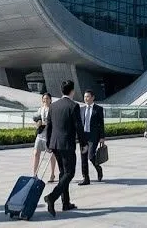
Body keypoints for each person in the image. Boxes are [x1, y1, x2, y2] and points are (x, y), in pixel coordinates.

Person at [42, 80, 87, 217]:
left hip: (55, 144)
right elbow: (78, 126)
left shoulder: (53, 106)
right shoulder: (74, 106)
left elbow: (49, 126)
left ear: (62, 91)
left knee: (63, 173)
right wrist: (83, 144)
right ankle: (52, 197)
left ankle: (65, 203)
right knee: (69, 173)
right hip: (67, 144)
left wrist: (48, 143)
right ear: (72, 91)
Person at [78, 89, 105, 185]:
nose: (86, 98)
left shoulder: (98, 109)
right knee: (83, 157)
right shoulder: (81, 109)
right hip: (83, 136)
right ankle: (86, 178)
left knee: (91, 156)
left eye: (88, 96)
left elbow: (101, 124)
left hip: (93, 137)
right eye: (85, 97)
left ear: (93, 97)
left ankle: (98, 168)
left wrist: (102, 137)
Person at [33, 93, 60, 182]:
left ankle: (52, 174)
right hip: (40, 135)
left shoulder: (53, 109)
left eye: (47, 98)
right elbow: (36, 120)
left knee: (51, 155)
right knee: (36, 153)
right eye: (44, 99)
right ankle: (34, 174)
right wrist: (38, 124)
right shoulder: (40, 109)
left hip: (49, 135)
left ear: (50, 100)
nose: (45, 100)